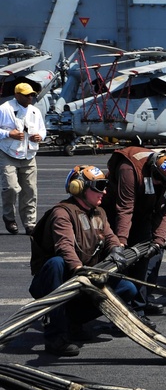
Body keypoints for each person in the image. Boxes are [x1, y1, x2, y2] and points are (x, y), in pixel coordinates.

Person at [29, 165, 138, 356]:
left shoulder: (99, 213)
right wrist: (79, 269)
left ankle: (73, 323)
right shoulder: (62, 213)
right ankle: (55, 337)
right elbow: (65, 247)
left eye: (105, 185)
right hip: (57, 281)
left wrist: (116, 249)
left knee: (127, 289)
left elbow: (110, 236)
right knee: (57, 263)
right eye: (99, 186)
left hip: (82, 279)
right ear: (79, 188)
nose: (104, 191)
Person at [104, 147, 166, 322]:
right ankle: (118, 312)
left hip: (144, 212)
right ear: (153, 168)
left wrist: (158, 240)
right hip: (114, 212)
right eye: (157, 178)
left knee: (142, 261)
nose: (159, 183)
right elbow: (125, 208)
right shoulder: (129, 168)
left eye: (164, 182)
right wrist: (120, 243)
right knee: (119, 266)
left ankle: (138, 311)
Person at [0, 82, 46, 234]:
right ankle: (9, 218)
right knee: (11, 188)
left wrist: (40, 136)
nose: (30, 98)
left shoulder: (35, 111)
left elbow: (42, 130)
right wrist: (9, 134)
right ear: (17, 95)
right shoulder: (4, 109)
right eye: (27, 95)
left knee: (30, 189)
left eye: (32, 95)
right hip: (8, 153)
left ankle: (30, 223)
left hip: (29, 155)